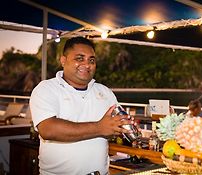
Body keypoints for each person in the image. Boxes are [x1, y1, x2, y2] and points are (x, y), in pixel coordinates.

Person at [30, 37, 133, 175]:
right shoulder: (46, 89)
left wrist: (123, 127)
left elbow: (113, 128)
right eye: (79, 58)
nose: (87, 64)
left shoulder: (105, 92)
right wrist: (99, 127)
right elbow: (48, 130)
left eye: (91, 60)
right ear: (63, 60)